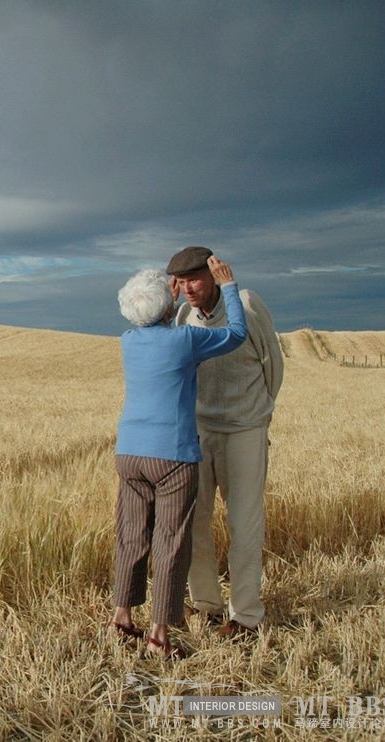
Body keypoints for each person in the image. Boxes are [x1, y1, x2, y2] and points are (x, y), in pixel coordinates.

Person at [111, 256, 246, 660]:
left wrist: (160, 306)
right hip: (172, 457)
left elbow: (152, 327)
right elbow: (237, 333)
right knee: (170, 542)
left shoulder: (128, 340)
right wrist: (231, 287)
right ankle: (158, 634)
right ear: (168, 307)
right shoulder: (186, 339)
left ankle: (121, 616)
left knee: (131, 535)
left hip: (129, 453)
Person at [167, 246, 284, 638]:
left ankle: (246, 616)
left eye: (195, 279)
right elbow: (168, 358)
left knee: (244, 522)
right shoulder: (183, 314)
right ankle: (207, 606)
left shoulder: (247, 304)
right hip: (199, 433)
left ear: (215, 274)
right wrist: (165, 311)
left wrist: (256, 418)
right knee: (195, 522)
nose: (188, 289)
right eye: (181, 282)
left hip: (245, 431)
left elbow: (273, 366)